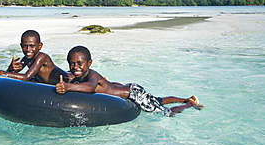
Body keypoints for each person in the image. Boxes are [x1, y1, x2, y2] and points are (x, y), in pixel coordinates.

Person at [56, 45, 204, 116]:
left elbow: (89, 88)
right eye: (72, 63)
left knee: (167, 113)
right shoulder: (78, 75)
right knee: (156, 99)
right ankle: (186, 98)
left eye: (80, 63)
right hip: (127, 88)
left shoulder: (92, 76)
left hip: (133, 93)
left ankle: (190, 104)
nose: (75, 66)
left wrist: (68, 87)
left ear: (89, 63)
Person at [0, 30, 73, 85]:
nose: (28, 49)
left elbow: (26, 77)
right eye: (25, 46)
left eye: (32, 46)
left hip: (70, 79)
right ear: (21, 46)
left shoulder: (42, 57)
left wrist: (1, 72)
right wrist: (10, 68)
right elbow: (10, 76)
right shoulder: (26, 58)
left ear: (40, 46)